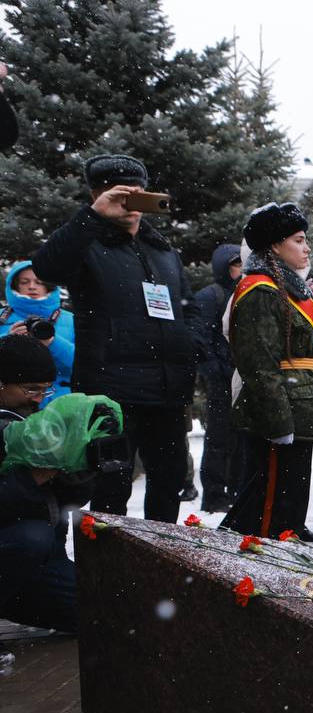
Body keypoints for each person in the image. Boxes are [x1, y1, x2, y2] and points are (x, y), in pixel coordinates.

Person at [32, 154, 199, 523]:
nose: (130, 201)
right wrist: (93, 215)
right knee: (112, 487)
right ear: (97, 194)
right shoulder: (85, 241)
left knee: (168, 482)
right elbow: (47, 267)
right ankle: (111, 574)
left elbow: (186, 307)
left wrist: (192, 345)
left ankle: (162, 560)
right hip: (111, 391)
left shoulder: (162, 250)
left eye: (137, 192)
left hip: (168, 390)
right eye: (120, 193)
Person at [221, 203, 313, 538]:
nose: (307, 247)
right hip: (280, 408)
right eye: (299, 240)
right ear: (274, 244)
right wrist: (277, 419)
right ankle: (260, 557)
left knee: (288, 497)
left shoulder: (288, 289)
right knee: (266, 506)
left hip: (297, 405)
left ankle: (286, 537)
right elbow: (259, 364)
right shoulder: (260, 289)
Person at [0, 336, 96, 637]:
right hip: (19, 547)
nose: (39, 399)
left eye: (45, 390)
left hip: (39, 560)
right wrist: (34, 477)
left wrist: (77, 468)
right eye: (31, 389)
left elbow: (66, 503)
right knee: (32, 537)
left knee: (97, 616)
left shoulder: (35, 421)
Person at [192, 244, 243, 512]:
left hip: (241, 377)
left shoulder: (245, 293)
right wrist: (214, 370)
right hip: (222, 379)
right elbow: (201, 338)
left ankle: (236, 489)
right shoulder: (210, 296)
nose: (241, 269)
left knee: (241, 438)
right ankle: (214, 495)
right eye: (236, 264)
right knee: (219, 438)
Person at [2, 262, 74, 404]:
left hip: (60, 402)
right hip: (11, 402)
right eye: (24, 282)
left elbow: (83, 364)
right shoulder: (2, 318)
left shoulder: (71, 320)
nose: (32, 286)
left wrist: (53, 342)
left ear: (49, 285)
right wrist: (7, 341)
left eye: (39, 282)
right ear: (14, 285)